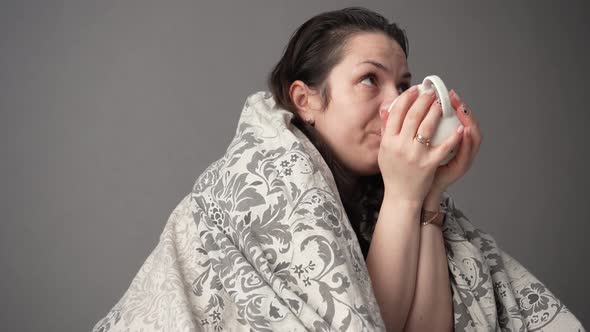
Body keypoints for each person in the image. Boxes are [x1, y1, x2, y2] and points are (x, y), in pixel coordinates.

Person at [93, 7, 585, 332]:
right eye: (370, 80)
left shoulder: (386, 190)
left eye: (404, 85)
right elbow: (356, 322)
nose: (398, 105)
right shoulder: (264, 177)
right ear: (305, 100)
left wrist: (429, 197)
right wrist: (406, 195)